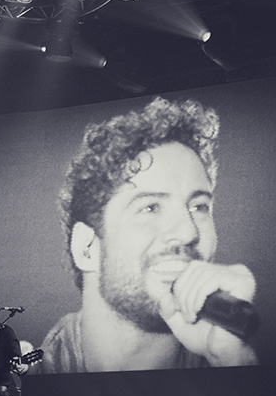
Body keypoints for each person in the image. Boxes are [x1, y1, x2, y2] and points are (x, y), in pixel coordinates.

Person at [35, 97, 258, 373]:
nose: (188, 231)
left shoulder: (231, 362)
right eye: (150, 207)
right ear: (87, 248)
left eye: (199, 207)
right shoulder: (18, 387)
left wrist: (232, 361)